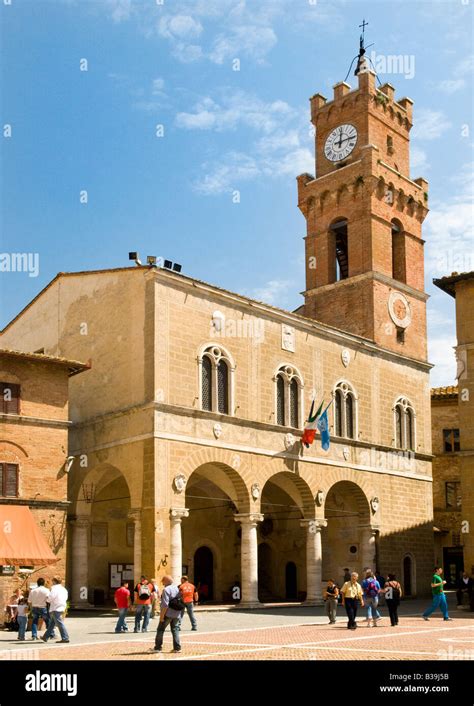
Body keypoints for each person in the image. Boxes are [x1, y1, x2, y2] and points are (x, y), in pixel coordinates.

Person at [152, 575, 183, 653]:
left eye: (163, 581)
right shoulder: (177, 588)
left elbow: (165, 605)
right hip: (177, 613)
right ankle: (177, 648)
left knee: (160, 630)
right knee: (175, 630)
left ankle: (158, 647)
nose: (162, 583)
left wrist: (161, 616)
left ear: (166, 581)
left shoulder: (166, 590)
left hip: (168, 613)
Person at [41, 577, 70, 643]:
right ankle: (45, 637)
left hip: (55, 607)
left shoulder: (54, 589)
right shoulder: (64, 589)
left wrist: (47, 599)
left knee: (59, 623)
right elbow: (66, 598)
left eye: (52, 581)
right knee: (52, 624)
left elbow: (50, 598)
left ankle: (65, 638)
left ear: (54, 581)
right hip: (61, 606)